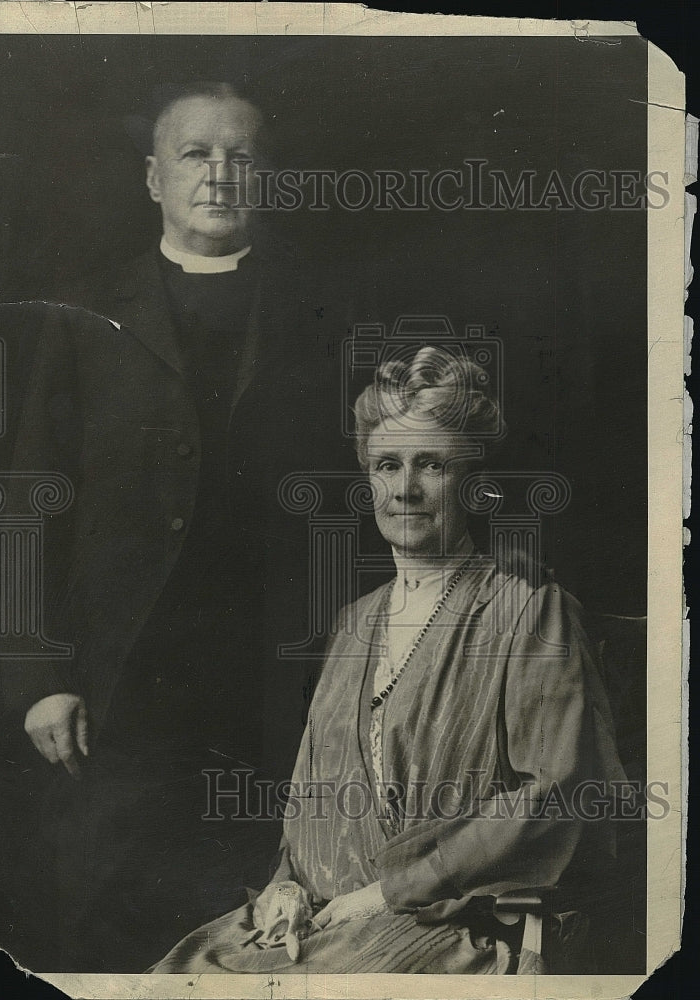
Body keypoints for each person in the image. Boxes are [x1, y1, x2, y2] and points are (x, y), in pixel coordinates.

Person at [0, 81, 348, 971]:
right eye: (194, 155)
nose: (219, 175)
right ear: (152, 178)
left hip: (279, 679)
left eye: (240, 156)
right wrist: (36, 676)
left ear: (268, 177)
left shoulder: (320, 315)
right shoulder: (81, 317)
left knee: (274, 921)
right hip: (121, 682)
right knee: (114, 911)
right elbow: (22, 503)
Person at [150, 346, 628, 975]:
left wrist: (383, 894)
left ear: (474, 482)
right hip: (320, 919)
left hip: (453, 923)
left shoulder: (530, 612)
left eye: (432, 465)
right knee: (185, 971)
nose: (405, 488)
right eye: (387, 465)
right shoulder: (354, 623)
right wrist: (286, 888)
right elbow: (310, 803)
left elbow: (554, 798)